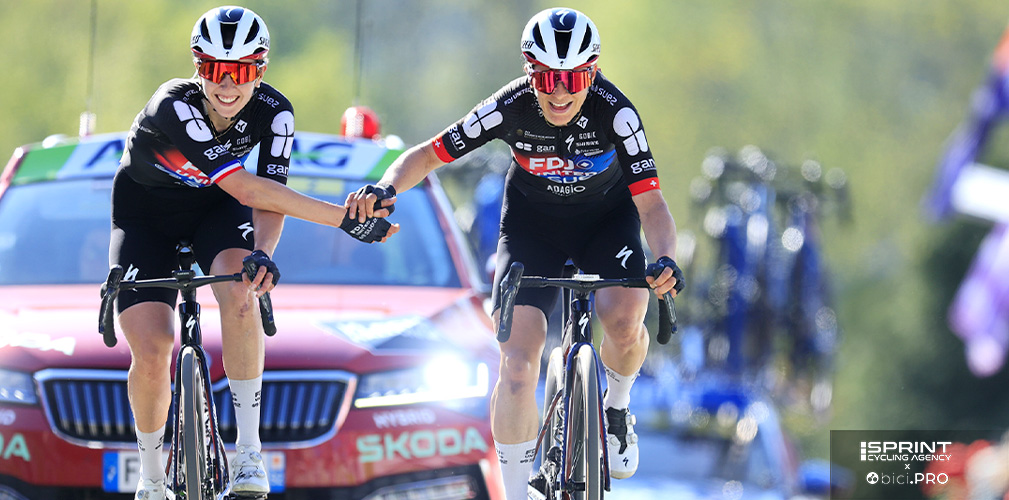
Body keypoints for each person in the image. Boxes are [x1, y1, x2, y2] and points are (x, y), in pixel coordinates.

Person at [346, 7, 684, 498]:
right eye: (547, 78)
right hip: (533, 228)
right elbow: (425, 155)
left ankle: (616, 407)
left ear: (593, 73)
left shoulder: (617, 113)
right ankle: (514, 489)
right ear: (531, 73)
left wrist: (667, 259)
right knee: (519, 364)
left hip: (606, 226)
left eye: (573, 78)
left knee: (626, 322)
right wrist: (386, 187)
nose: (560, 91)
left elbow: (651, 204)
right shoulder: (510, 105)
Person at [111, 6, 397, 499]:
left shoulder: (274, 112)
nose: (227, 85)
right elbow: (247, 187)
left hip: (213, 211)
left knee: (243, 292)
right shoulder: (172, 105)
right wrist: (343, 219)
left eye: (241, 71)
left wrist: (262, 253)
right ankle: (152, 477)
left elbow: (271, 193)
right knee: (154, 349)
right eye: (213, 70)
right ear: (197, 68)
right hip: (145, 218)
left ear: (260, 70)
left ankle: (248, 453)